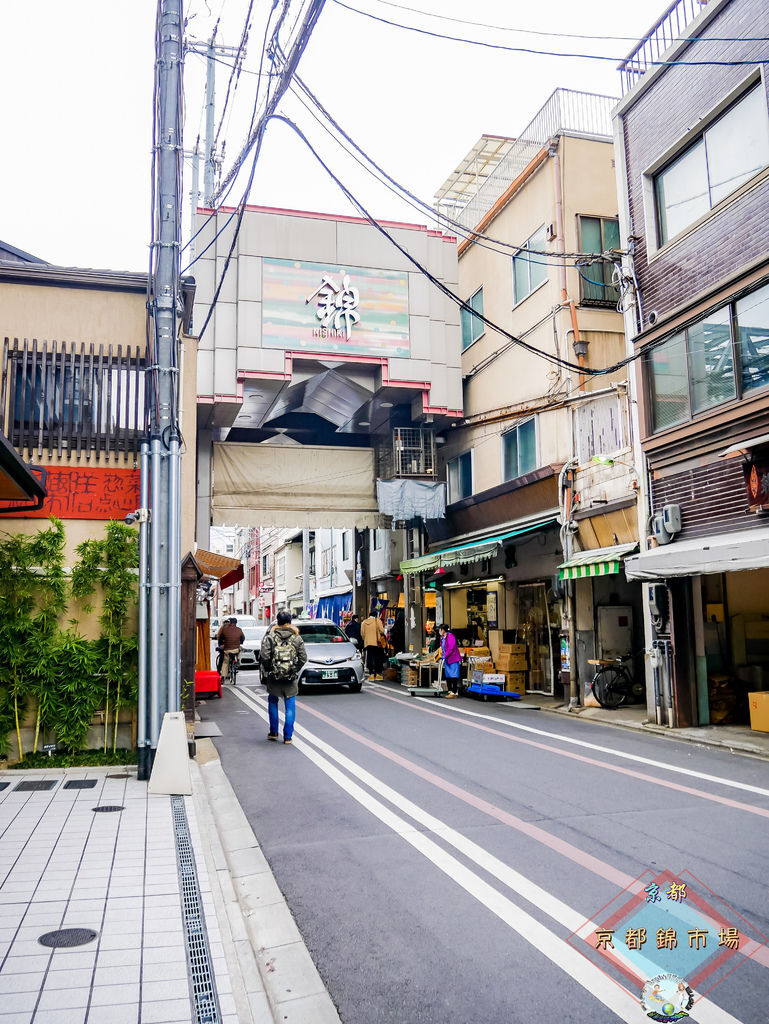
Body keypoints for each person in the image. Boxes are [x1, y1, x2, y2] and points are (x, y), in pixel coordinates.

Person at [259, 610, 307, 744]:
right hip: (290, 679)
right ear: (290, 622)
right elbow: (303, 658)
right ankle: (288, 737)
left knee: (273, 702)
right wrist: (294, 669)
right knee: (290, 707)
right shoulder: (297, 638)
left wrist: (270, 669)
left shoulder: (271, 636)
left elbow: (265, 656)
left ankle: (274, 732)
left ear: (277, 622)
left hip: (274, 678)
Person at [216, 616, 245, 684]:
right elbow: (243, 638)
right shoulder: (239, 630)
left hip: (227, 650)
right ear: (236, 623)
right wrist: (240, 642)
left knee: (225, 662)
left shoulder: (224, 629)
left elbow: (220, 638)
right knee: (240, 649)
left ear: (230, 623)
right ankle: (238, 660)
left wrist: (222, 645)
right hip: (236, 649)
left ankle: (223, 677)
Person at [438, 623, 462, 698]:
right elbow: (442, 647)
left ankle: (454, 692)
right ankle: (450, 691)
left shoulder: (450, 636)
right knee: (448, 675)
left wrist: (445, 656)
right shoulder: (442, 637)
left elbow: (451, 648)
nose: (439, 631)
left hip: (453, 658)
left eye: (440, 629)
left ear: (443, 630)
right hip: (446, 659)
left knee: (453, 675)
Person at [361, 611, 385, 679]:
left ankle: (371, 673)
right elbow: (382, 631)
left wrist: (365, 639)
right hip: (377, 643)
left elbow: (362, 634)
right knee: (377, 658)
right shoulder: (378, 621)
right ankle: (377, 674)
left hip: (368, 643)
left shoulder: (364, 622)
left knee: (370, 657)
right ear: (375, 615)